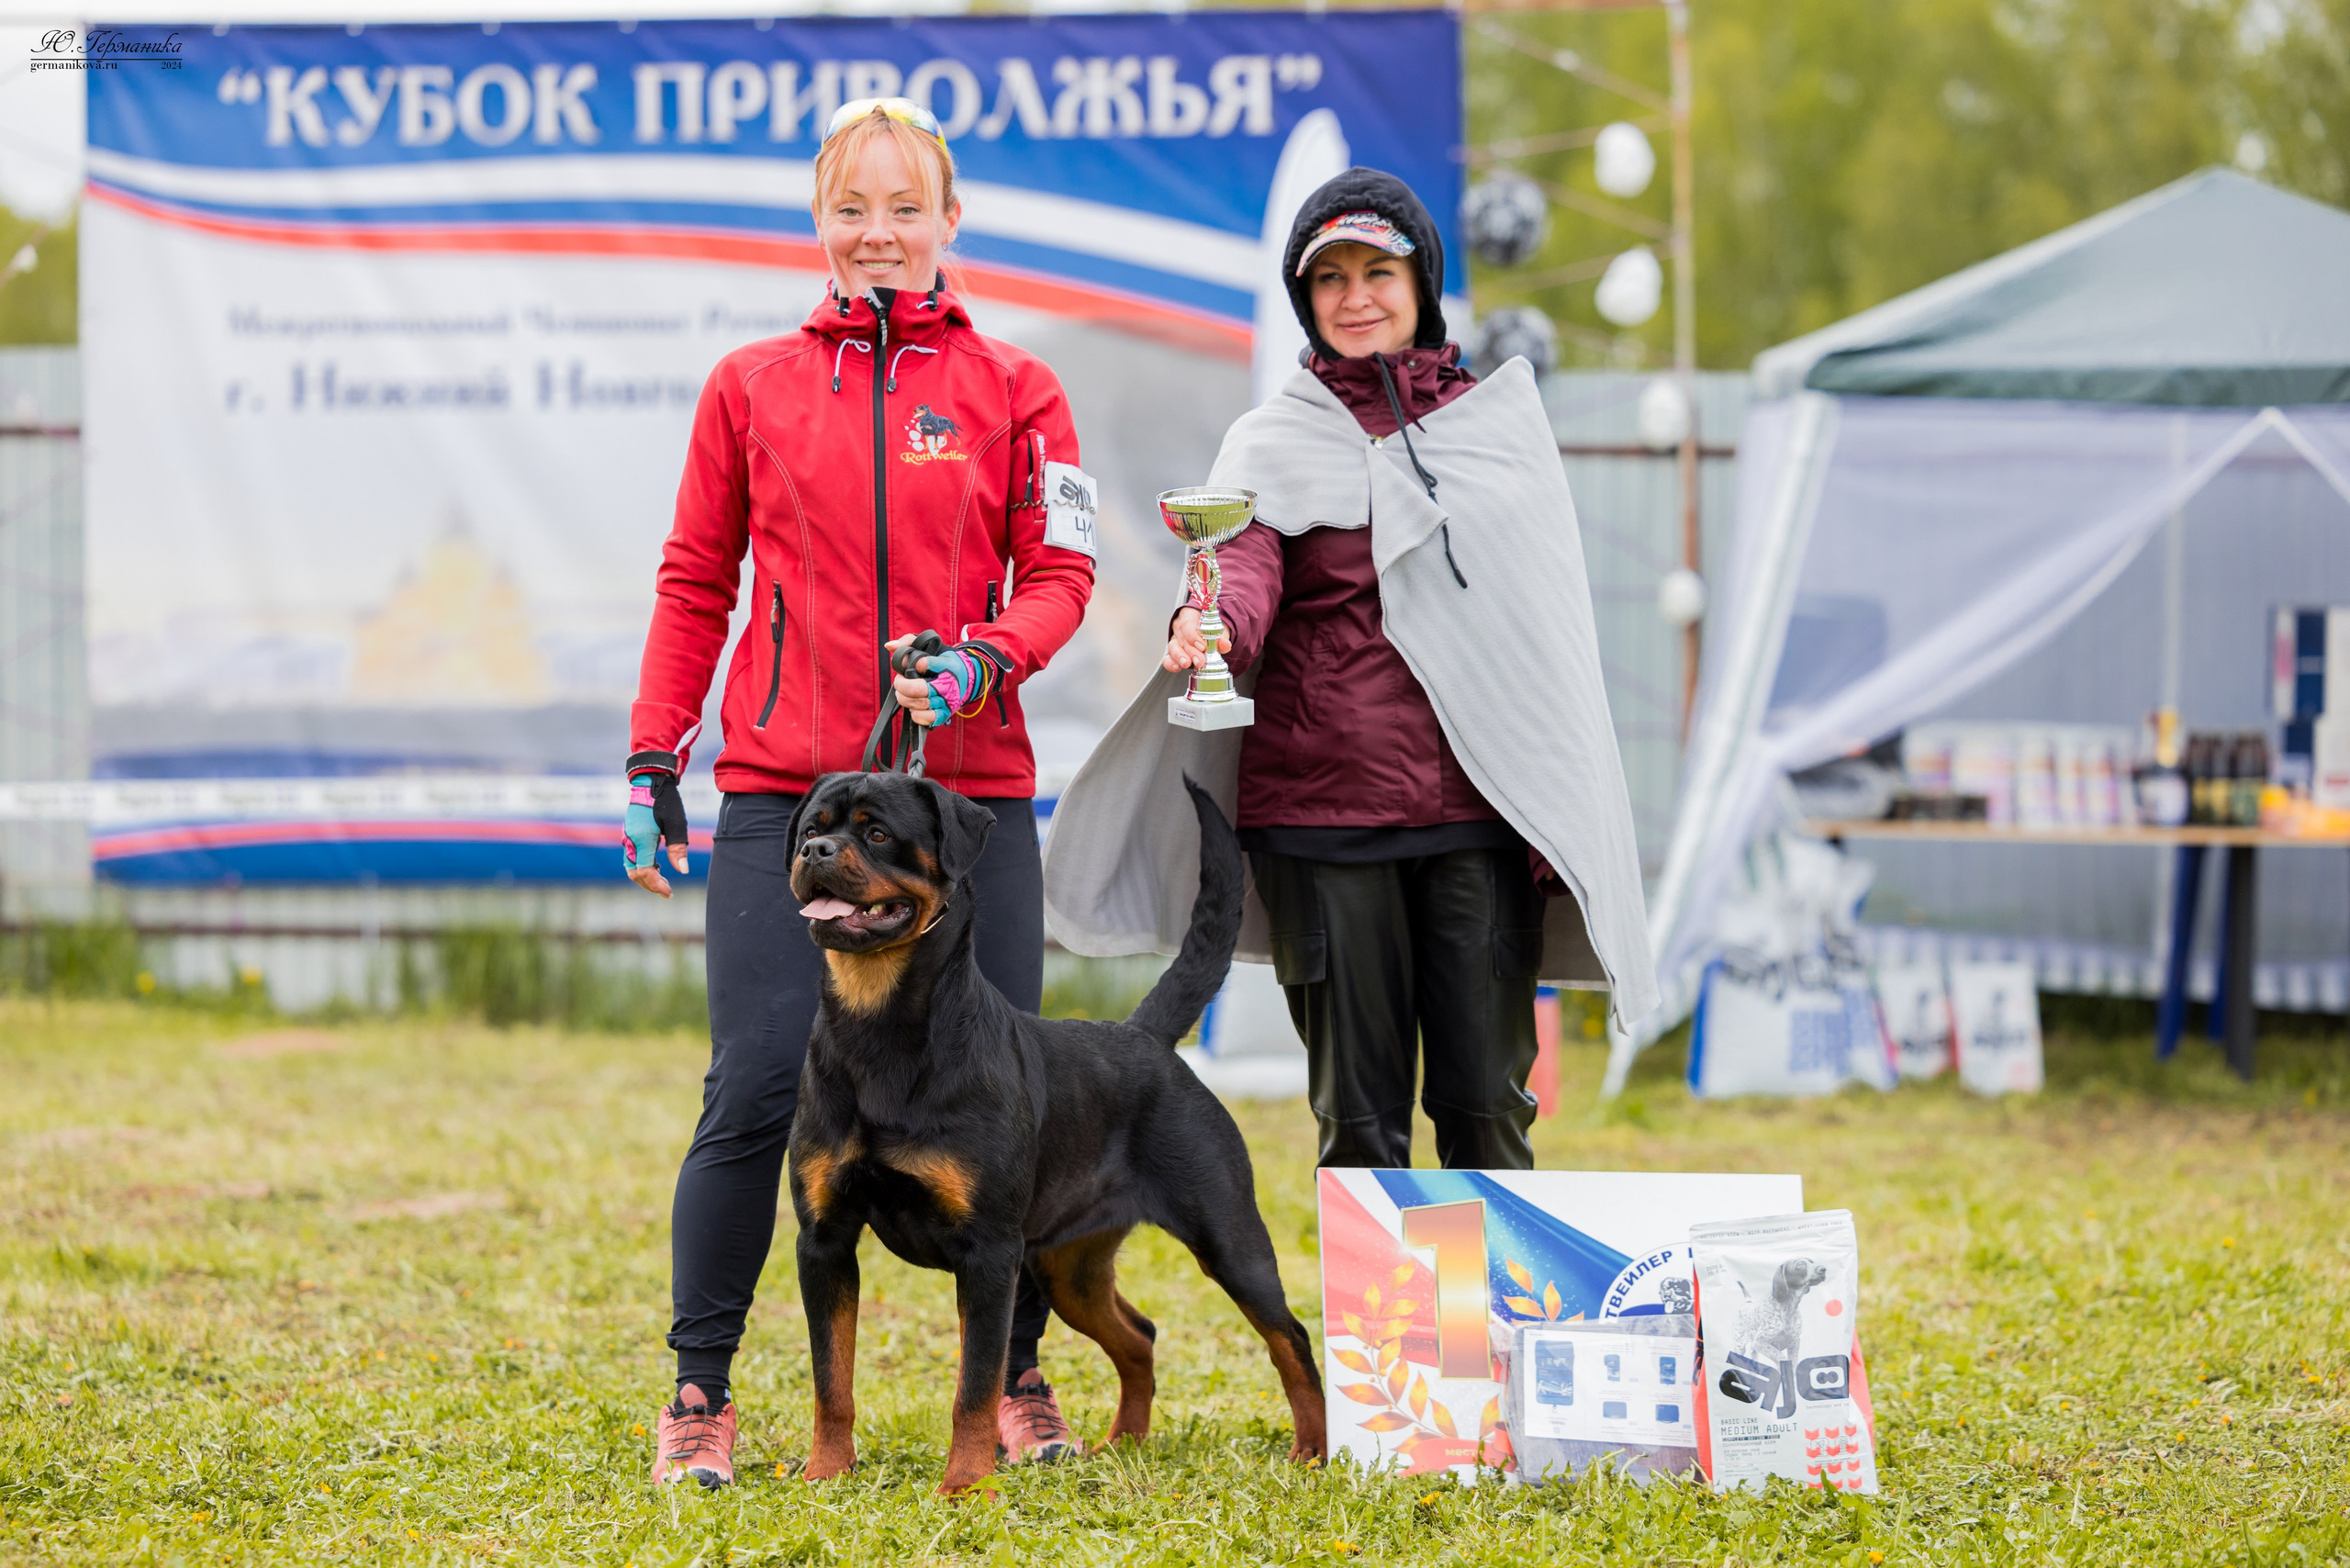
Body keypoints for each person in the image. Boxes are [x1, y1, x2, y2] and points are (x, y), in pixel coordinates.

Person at [620, 98, 1099, 1489]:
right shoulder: (750, 385)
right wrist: (658, 754)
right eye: (853, 208)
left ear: (952, 221)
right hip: (790, 802)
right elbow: (694, 582)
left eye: (906, 208)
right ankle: (700, 1397)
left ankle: (1014, 1381)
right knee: (759, 1087)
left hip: (964, 807)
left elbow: (1062, 576)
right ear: (818, 222)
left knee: (1000, 1105)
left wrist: (990, 662)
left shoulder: (1018, 387)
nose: (879, 234)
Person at [1040, 166, 1655, 1171]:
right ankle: (1395, 1338)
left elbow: (1546, 636)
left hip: (1477, 819)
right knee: (1360, 1126)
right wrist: (1209, 625)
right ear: (1305, 300)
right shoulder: (1270, 439)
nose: (1357, 296)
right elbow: (1239, 562)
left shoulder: (1497, 430)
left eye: (1378, 271)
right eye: (1330, 279)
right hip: (1325, 827)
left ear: (1422, 286)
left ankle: (1490, 1329)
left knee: (1486, 1113)